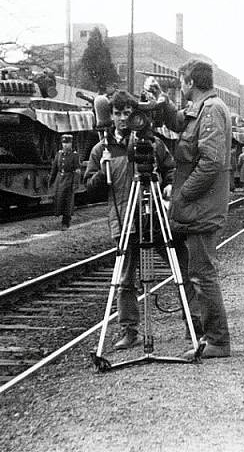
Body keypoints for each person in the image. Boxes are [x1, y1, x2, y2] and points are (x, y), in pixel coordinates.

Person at [149, 60, 231, 360]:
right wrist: (162, 101)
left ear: (190, 83)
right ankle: (206, 332)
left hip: (201, 207)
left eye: (181, 83)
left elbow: (210, 162)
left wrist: (182, 194)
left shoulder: (211, 110)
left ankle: (218, 341)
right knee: (196, 269)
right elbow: (179, 121)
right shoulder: (203, 108)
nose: (179, 88)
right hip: (198, 206)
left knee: (202, 273)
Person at [83, 90, 176, 350]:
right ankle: (129, 330)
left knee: (181, 265)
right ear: (110, 115)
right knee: (125, 280)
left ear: (135, 114)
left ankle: (195, 320)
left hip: (154, 218)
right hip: (124, 222)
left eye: (127, 113)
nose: (122, 119)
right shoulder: (101, 149)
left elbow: (170, 168)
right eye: (117, 113)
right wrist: (103, 171)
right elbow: (89, 188)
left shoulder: (152, 143)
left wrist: (169, 185)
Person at [49, 134, 81, 230]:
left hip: (69, 180)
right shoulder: (59, 154)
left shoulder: (74, 155)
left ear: (71, 144)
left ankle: (66, 222)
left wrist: (75, 183)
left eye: (67, 143)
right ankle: (60, 218)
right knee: (59, 200)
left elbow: (77, 171)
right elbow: (54, 168)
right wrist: (51, 180)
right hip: (60, 180)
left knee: (68, 202)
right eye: (64, 143)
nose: (65, 145)